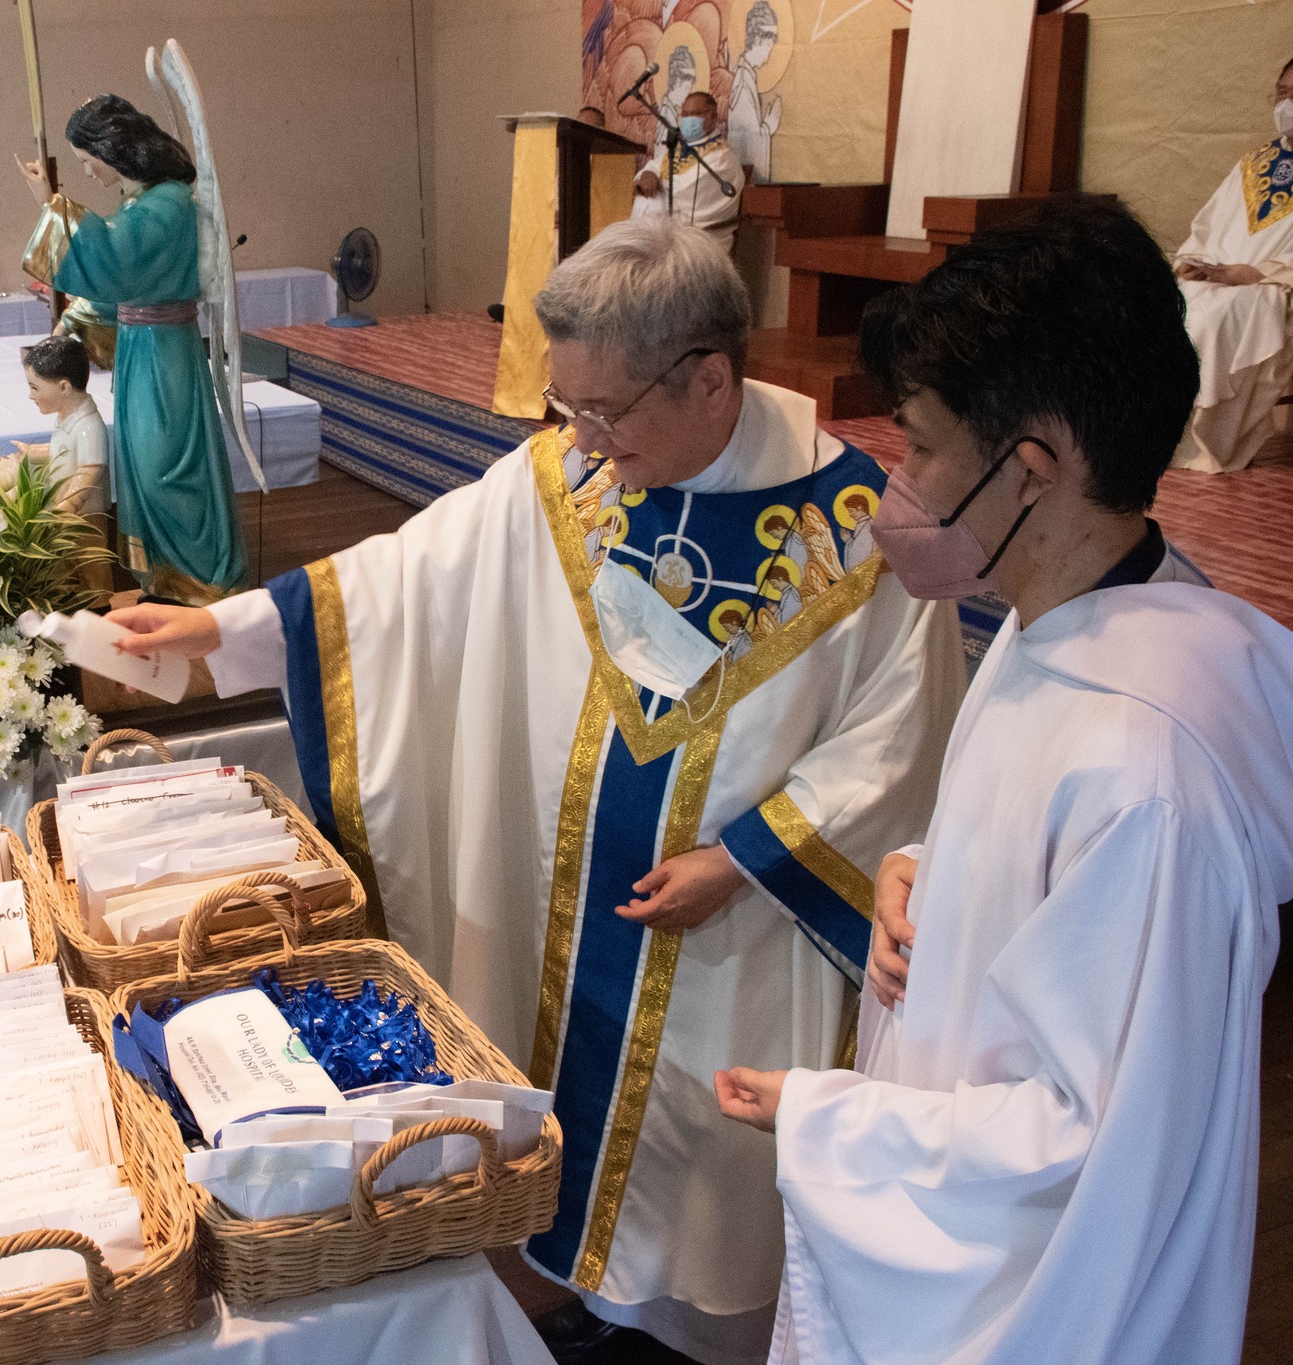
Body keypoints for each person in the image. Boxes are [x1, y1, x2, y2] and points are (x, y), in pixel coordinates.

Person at [109, 217, 967, 1365]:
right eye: (568, 410)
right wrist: (218, 628)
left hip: (741, 934)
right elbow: (399, 583)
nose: (584, 441)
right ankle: (586, 1301)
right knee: (568, 1119)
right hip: (566, 908)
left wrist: (743, 858)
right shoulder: (574, 472)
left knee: (710, 1179)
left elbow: (898, 736)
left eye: (605, 410)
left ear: (709, 378)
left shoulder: (856, 534)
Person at [714, 197, 1292, 1365]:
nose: (899, 484)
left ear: (1032, 468)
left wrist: (823, 1115)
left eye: (921, 446)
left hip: (1044, 1297)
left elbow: (1092, 1149)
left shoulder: (1143, 769)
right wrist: (920, 875)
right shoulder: (1080, 615)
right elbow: (1027, 859)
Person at [19, 93, 247, 604]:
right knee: (146, 464)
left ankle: (199, 580)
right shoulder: (143, 203)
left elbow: (116, 262)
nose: (88, 172)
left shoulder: (166, 205)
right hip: (143, 350)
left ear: (115, 149)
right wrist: (75, 317)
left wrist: (50, 205)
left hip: (164, 357)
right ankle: (165, 576)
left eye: (87, 160)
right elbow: (124, 288)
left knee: (167, 467)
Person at [1168, 56, 1293, 472]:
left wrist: (1253, 274)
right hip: (1222, 279)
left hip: (1275, 288)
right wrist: (1194, 262)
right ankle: (1142, 429)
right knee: (1165, 304)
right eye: (1282, 94)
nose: (1286, 105)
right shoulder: (1254, 164)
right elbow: (1207, 228)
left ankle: (1199, 442)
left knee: (1212, 319)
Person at [13, 334, 114, 598]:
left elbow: (90, 469)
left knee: (91, 567)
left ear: (64, 388)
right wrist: (33, 453)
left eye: (35, 388)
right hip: (66, 515)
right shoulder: (67, 418)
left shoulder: (88, 425)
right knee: (70, 567)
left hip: (85, 516)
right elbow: (64, 452)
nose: (30, 396)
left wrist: (69, 505)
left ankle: (99, 611)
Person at [632, 92, 748, 252]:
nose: (687, 120)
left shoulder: (721, 158)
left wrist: (654, 185)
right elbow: (656, 165)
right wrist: (648, 175)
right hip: (664, 235)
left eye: (694, 114)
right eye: (684, 114)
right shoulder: (682, 148)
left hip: (699, 241)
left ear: (713, 117)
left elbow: (683, 192)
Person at [727, 0, 783, 183]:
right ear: (758, 40)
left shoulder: (747, 76)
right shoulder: (743, 83)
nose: (768, 54)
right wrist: (769, 126)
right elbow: (749, 142)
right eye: (768, 46)